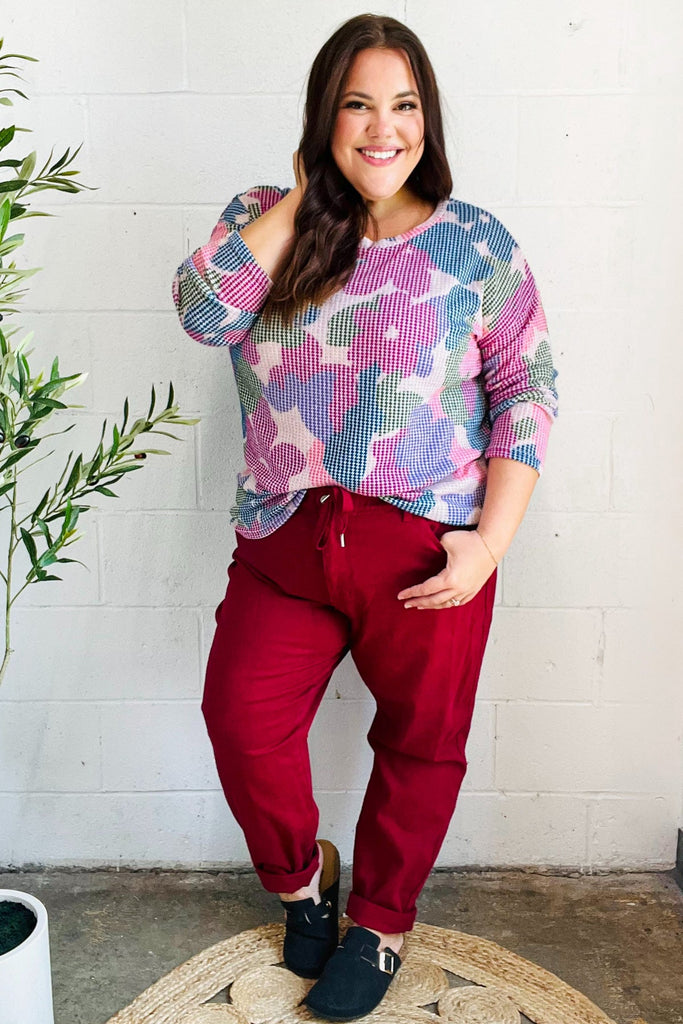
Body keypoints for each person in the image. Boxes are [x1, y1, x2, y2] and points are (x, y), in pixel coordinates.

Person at [172, 12, 558, 1020]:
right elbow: (202, 313)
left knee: (421, 745)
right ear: (323, 117)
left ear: (427, 119)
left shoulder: (475, 243)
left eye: (403, 106)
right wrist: (305, 197)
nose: (383, 129)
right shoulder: (264, 217)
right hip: (284, 539)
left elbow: (526, 389)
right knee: (241, 722)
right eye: (356, 105)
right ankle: (303, 884)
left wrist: (488, 544)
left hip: (427, 547)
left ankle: (381, 925)